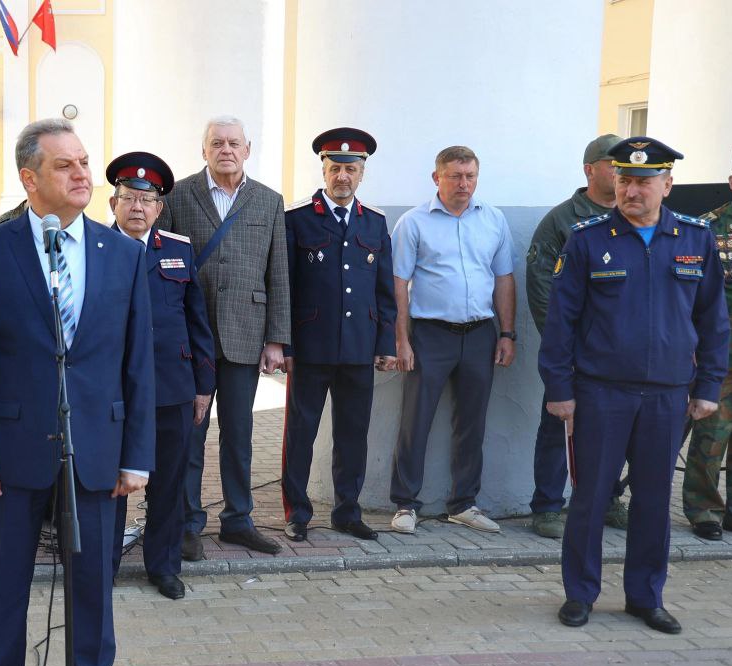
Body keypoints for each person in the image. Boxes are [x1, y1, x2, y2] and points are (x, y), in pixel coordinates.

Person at [0, 118, 154, 666]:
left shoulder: (122, 253)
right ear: (29, 177)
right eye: (65, 165)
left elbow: (138, 363)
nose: (82, 175)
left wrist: (136, 455)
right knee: (4, 587)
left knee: (93, 589)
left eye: (85, 163)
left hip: (96, 449)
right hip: (12, 454)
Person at [540, 136, 727, 634]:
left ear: (667, 185)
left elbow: (713, 321)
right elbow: (562, 322)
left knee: (651, 500)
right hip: (601, 393)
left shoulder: (695, 239)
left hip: (668, 395)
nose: (632, 190)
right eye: (624, 179)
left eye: (644, 181)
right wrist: (559, 388)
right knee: (590, 497)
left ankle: (645, 596)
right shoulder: (587, 239)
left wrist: (707, 385)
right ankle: (580, 593)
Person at [157, 116, 290, 560]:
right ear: (204, 150)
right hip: (191, 340)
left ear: (248, 150)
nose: (226, 149)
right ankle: (189, 521)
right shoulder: (177, 196)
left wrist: (276, 338)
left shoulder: (269, 201)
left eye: (234, 143)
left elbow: (279, 273)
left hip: (245, 334)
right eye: (217, 143)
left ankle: (239, 519)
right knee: (190, 434)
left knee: (239, 434)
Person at [389, 146, 517, 535]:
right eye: (456, 176)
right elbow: (398, 285)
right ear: (437, 178)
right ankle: (405, 504)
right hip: (430, 335)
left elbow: (504, 279)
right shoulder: (414, 223)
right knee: (416, 421)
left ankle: (464, 503)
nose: (464, 184)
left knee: (472, 422)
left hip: (480, 334)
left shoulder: (493, 220)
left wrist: (508, 333)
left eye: (471, 176)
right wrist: (402, 341)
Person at [105, 151, 215, 600]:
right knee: (110, 483)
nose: (137, 207)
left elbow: (197, 321)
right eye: (128, 198)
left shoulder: (178, 249)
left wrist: (204, 387)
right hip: (111, 391)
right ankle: (103, 564)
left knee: (169, 482)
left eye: (145, 200)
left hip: (172, 386)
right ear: (113, 203)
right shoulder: (95, 247)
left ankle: (164, 566)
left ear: (159, 207)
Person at [281, 128, 397, 542]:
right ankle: (297, 511)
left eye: (350, 169)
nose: (342, 176)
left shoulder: (376, 222)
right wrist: (286, 344)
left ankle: (347, 510)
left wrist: (386, 343)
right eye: (335, 168)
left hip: (358, 348)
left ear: (362, 173)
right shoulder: (296, 218)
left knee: (352, 434)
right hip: (310, 348)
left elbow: (385, 289)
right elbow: (285, 287)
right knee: (301, 433)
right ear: (324, 170)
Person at [526, 134, 629, 539]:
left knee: (615, 428)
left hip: (621, 350)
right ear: (589, 169)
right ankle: (548, 507)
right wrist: (560, 346)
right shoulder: (562, 220)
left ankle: (606, 500)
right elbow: (540, 285)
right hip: (574, 348)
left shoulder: (636, 214)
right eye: (612, 164)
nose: (620, 173)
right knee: (558, 423)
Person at [682, 148, 732, 541]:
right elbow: (692, 295)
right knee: (713, 431)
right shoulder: (707, 229)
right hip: (723, 348)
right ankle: (704, 509)